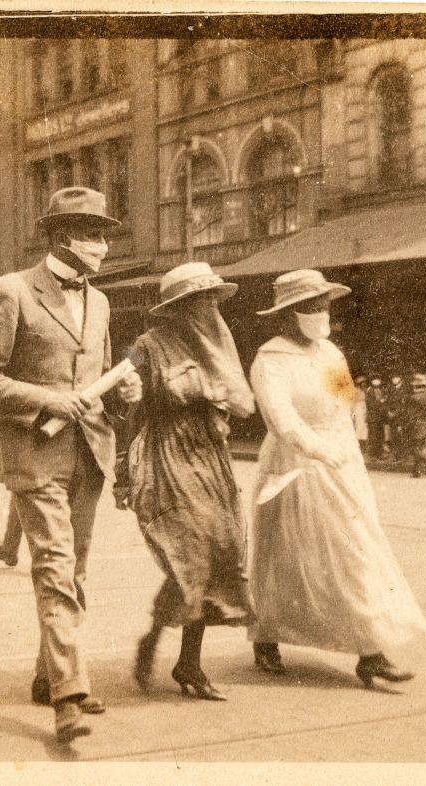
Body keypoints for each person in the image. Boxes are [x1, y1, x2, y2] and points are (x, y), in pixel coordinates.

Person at [0, 186, 141, 743]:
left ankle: (47, 676)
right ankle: (68, 695)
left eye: (106, 235)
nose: (104, 247)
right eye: (93, 234)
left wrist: (123, 392)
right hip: (35, 457)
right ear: (61, 236)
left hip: (89, 454)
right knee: (56, 569)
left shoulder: (102, 301)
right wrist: (47, 399)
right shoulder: (12, 291)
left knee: (75, 571)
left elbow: (97, 378)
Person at [247, 269, 426, 689]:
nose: (321, 313)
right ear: (290, 313)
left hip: (339, 462)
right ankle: (267, 635)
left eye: (325, 305)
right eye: (311, 307)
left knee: (356, 551)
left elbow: (347, 404)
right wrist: (317, 449)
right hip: (294, 465)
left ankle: (371, 653)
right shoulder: (270, 359)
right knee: (285, 557)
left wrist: (352, 456)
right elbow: (280, 418)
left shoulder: (330, 354)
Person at [128, 262, 256, 702]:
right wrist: (125, 474)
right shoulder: (150, 346)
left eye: (212, 300)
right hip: (166, 455)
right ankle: (182, 658)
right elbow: (128, 408)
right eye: (199, 301)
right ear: (180, 307)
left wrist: (218, 394)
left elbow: (244, 403)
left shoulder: (219, 345)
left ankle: (177, 650)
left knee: (221, 550)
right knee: (193, 549)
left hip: (210, 456)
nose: (208, 308)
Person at [385, 372, 410, 461]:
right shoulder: (391, 389)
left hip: (401, 416)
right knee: (394, 437)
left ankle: (403, 456)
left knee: (402, 437)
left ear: (400, 378)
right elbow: (388, 401)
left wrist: (395, 413)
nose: (394, 379)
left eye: (396, 377)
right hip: (393, 417)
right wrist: (388, 411)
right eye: (393, 378)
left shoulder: (405, 389)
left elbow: (405, 405)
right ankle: (396, 456)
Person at [365, 376, 387, 458]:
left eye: (378, 379)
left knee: (380, 436)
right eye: (375, 380)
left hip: (380, 417)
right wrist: (381, 402)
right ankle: (372, 454)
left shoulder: (381, 390)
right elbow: (371, 404)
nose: (377, 381)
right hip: (373, 417)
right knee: (374, 436)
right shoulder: (370, 390)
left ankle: (379, 454)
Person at [352, 374, 368, 454]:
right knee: (359, 428)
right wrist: (353, 414)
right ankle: (358, 447)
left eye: (364, 382)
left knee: (365, 429)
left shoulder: (366, 390)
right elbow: (353, 403)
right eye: (362, 382)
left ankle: (364, 446)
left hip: (365, 409)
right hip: (358, 410)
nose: (364, 384)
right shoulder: (355, 391)